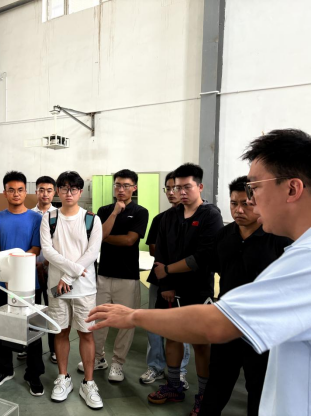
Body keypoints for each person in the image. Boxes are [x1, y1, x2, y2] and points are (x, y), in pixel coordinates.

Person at [87, 128, 311, 416]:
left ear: (292, 189)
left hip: (201, 296)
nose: (249, 202)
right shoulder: (291, 248)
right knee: (216, 372)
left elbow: (216, 323)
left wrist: (133, 316)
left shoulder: (302, 261)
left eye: (254, 188)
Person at [199, 176, 292, 416]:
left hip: (262, 326)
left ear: (258, 203)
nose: (238, 210)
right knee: (218, 380)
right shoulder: (224, 236)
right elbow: (218, 269)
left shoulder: (278, 238)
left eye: (246, 204)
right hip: (228, 320)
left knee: (258, 386)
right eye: (233, 203)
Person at [148, 163, 223, 414]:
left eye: (186, 187)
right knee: (172, 337)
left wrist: (168, 271)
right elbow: (161, 253)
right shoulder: (169, 217)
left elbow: (203, 256)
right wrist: (167, 284)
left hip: (198, 290)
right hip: (170, 290)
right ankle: (173, 386)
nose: (181, 192)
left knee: (200, 343)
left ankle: (203, 395)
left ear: (200, 187)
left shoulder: (210, 215)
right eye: (176, 187)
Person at [40, 171, 103, 410]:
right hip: (57, 288)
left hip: (84, 289)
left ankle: (89, 383)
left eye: (74, 189)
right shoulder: (49, 218)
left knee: (86, 333)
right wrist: (72, 271)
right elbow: (47, 251)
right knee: (61, 332)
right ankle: (63, 377)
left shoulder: (91, 219)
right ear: (58, 190)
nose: (69, 193)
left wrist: (68, 276)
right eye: (64, 188)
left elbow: (92, 253)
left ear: (80, 191)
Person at [79, 169, 148, 382]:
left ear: (134, 188)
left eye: (126, 185)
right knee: (98, 318)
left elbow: (129, 240)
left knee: (126, 322)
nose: (121, 189)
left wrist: (104, 237)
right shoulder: (104, 210)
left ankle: (118, 362)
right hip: (103, 273)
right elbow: (98, 237)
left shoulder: (140, 212)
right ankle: (98, 357)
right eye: (117, 185)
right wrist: (115, 214)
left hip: (127, 276)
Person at [0, 171, 45, 395]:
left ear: (25, 192)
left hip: (28, 284)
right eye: (11, 190)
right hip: (2, 282)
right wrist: (8, 276)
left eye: (20, 190)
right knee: (3, 326)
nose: (16, 194)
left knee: (33, 329)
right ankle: (5, 369)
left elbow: (35, 249)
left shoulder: (36, 219)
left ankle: (33, 374)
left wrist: (17, 274)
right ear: (5, 192)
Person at [140, 172, 191, 388]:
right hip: (159, 277)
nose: (171, 193)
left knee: (181, 326)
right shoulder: (160, 218)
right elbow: (154, 248)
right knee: (154, 323)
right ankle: (155, 366)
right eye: (168, 189)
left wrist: (173, 255)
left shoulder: (197, 217)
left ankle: (179, 371)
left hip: (185, 280)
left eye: (175, 188)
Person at [30, 175, 58, 364]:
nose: (45, 194)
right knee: (31, 310)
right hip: (31, 270)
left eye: (49, 190)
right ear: (36, 192)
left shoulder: (59, 215)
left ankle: (54, 349)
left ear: (54, 192)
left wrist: (46, 263)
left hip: (52, 271)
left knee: (53, 310)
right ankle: (29, 346)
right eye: (41, 190)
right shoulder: (29, 215)